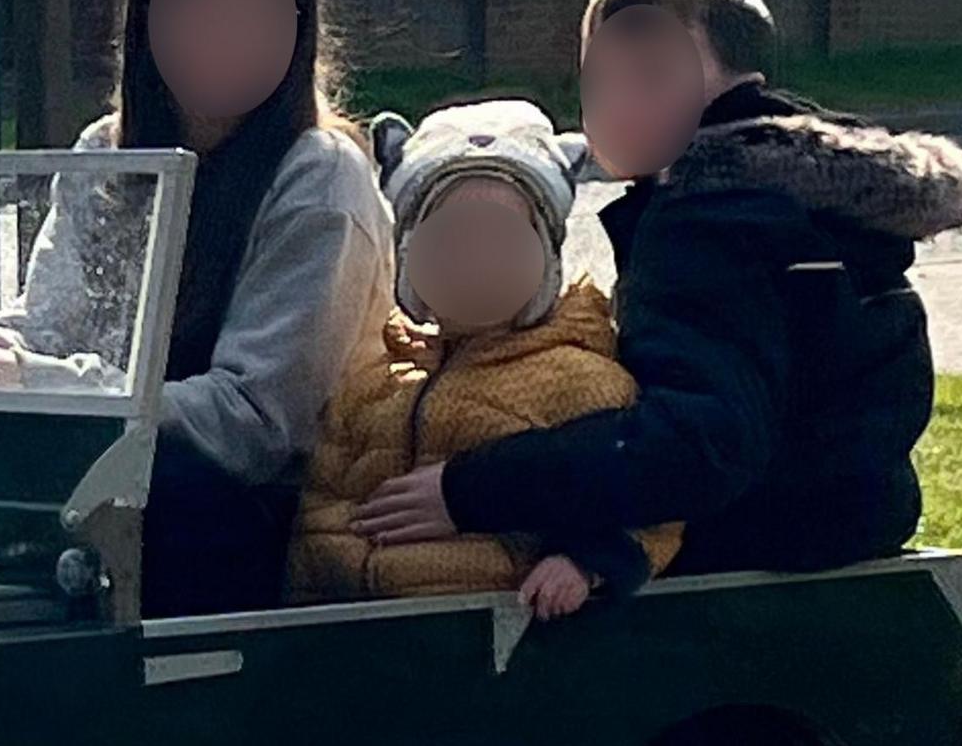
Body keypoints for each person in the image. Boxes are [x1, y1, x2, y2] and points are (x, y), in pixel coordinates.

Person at [0, 0, 392, 617]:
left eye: (254, 7)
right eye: (195, 1)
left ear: (299, 31)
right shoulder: (108, 153)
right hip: (105, 504)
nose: (221, 27)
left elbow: (255, 426)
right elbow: (41, 329)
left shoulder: (320, 174)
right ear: (144, 20)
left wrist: (25, 381)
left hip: (258, 534)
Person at [349, 0, 962, 578]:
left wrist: (472, 489)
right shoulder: (812, 198)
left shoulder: (710, 222)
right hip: (843, 536)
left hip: (738, 557)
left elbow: (701, 442)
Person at [289, 100, 678, 616]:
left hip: (495, 645)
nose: (475, 263)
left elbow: (652, 505)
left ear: (544, 259)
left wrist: (583, 562)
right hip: (363, 640)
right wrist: (317, 583)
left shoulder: (582, 382)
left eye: (502, 241)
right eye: (450, 240)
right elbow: (319, 505)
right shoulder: (373, 383)